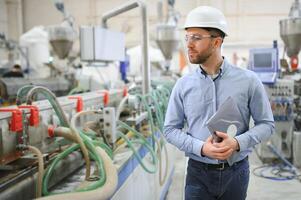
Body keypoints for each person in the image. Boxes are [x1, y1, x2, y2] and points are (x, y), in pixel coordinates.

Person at [163, 6, 274, 200]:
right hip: (198, 174)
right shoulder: (182, 85)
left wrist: (238, 143)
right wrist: (201, 147)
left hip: (236, 173)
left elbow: (267, 124)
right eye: (187, 37)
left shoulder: (248, 81)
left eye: (196, 38)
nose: (189, 44)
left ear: (216, 42)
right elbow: (170, 130)